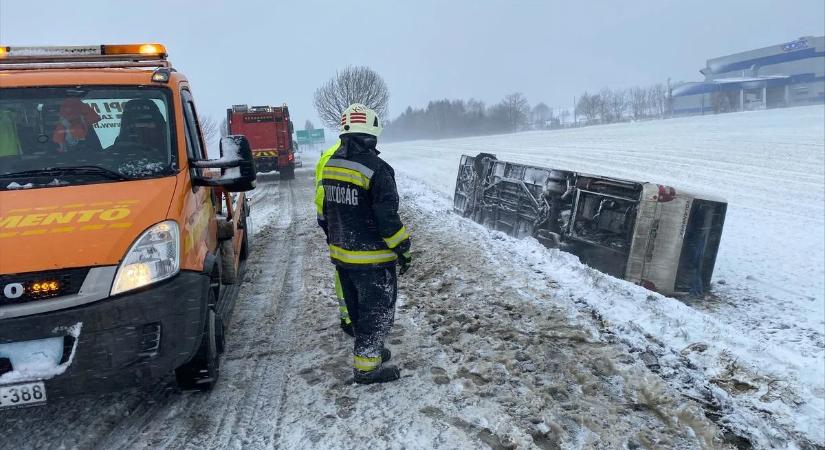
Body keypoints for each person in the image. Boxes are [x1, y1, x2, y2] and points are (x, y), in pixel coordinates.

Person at [319, 103, 412, 384]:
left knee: (359, 309)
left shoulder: (332, 164)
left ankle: (369, 350)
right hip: (372, 259)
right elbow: (387, 219)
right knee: (376, 311)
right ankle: (367, 368)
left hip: (342, 256)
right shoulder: (379, 170)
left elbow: (325, 212)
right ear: (373, 133)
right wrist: (403, 248)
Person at [315, 139, 354, 337]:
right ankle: (348, 316)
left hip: (332, 220)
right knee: (347, 268)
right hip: (341, 220)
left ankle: (347, 315)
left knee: (343, 266)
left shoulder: (329, 154)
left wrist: (326, 224)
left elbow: (320, 193)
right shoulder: (342, 156)